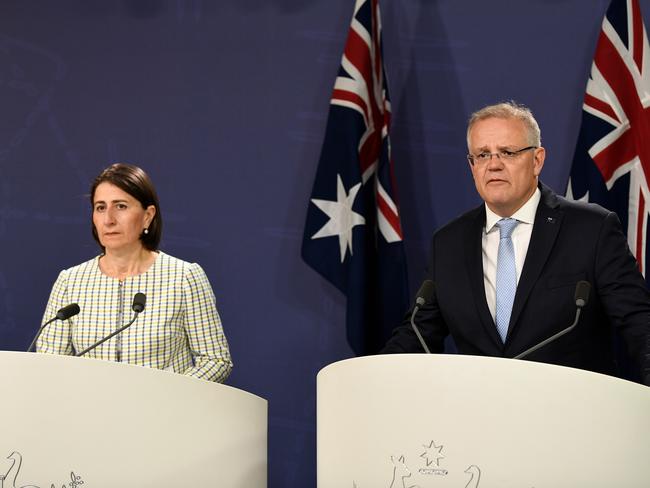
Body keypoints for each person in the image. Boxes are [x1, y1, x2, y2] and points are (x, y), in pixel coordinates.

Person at [382, 101, 650, 385]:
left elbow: (639, 324)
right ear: (472, 166)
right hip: (481, 415)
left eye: (507, 153)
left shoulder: (591, 229)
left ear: (537, 160)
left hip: (572, 415)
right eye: (482, 155)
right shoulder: (448, 243)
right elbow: (417, 335)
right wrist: (369, 381)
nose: (494, 164)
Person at [38, 163, 232, 383]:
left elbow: (216, 360)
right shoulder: (70, 281)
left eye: (120, 206)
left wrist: (172, 394)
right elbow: (49, 363)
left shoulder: (183, 277)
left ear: (148, 216)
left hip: (164, 412)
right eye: (100, 207)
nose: (108, 219)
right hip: (92, 411)